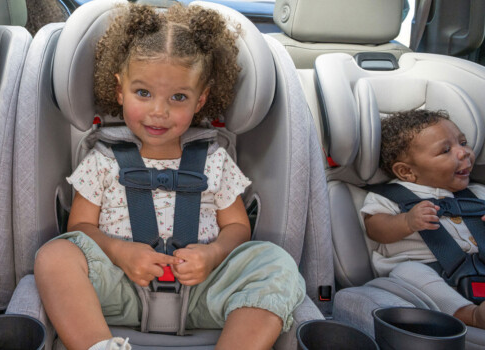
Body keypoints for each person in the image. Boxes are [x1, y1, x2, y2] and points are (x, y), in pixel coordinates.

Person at [33, 4, 306, 350]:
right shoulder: (100, 161)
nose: (159, 111)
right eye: (143, 93)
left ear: (201, 99)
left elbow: (238, 228)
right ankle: (98, 345)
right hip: (120, 287)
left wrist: (212, 256)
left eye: (178, 97)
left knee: (277, 263)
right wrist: (120, 253)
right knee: (54, 256)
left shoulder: (215, 161)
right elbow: (81, 229)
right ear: (120, 91)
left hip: (203, 291)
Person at [362, 109, 485, 332]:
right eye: (446, 150)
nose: (464, 153)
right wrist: (407, 222)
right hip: (429, 276)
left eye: (463, 142)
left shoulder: (481, 195)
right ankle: (471, 315)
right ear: (407, 172)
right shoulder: (392, 196)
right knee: (408, 272)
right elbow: (375, 229)